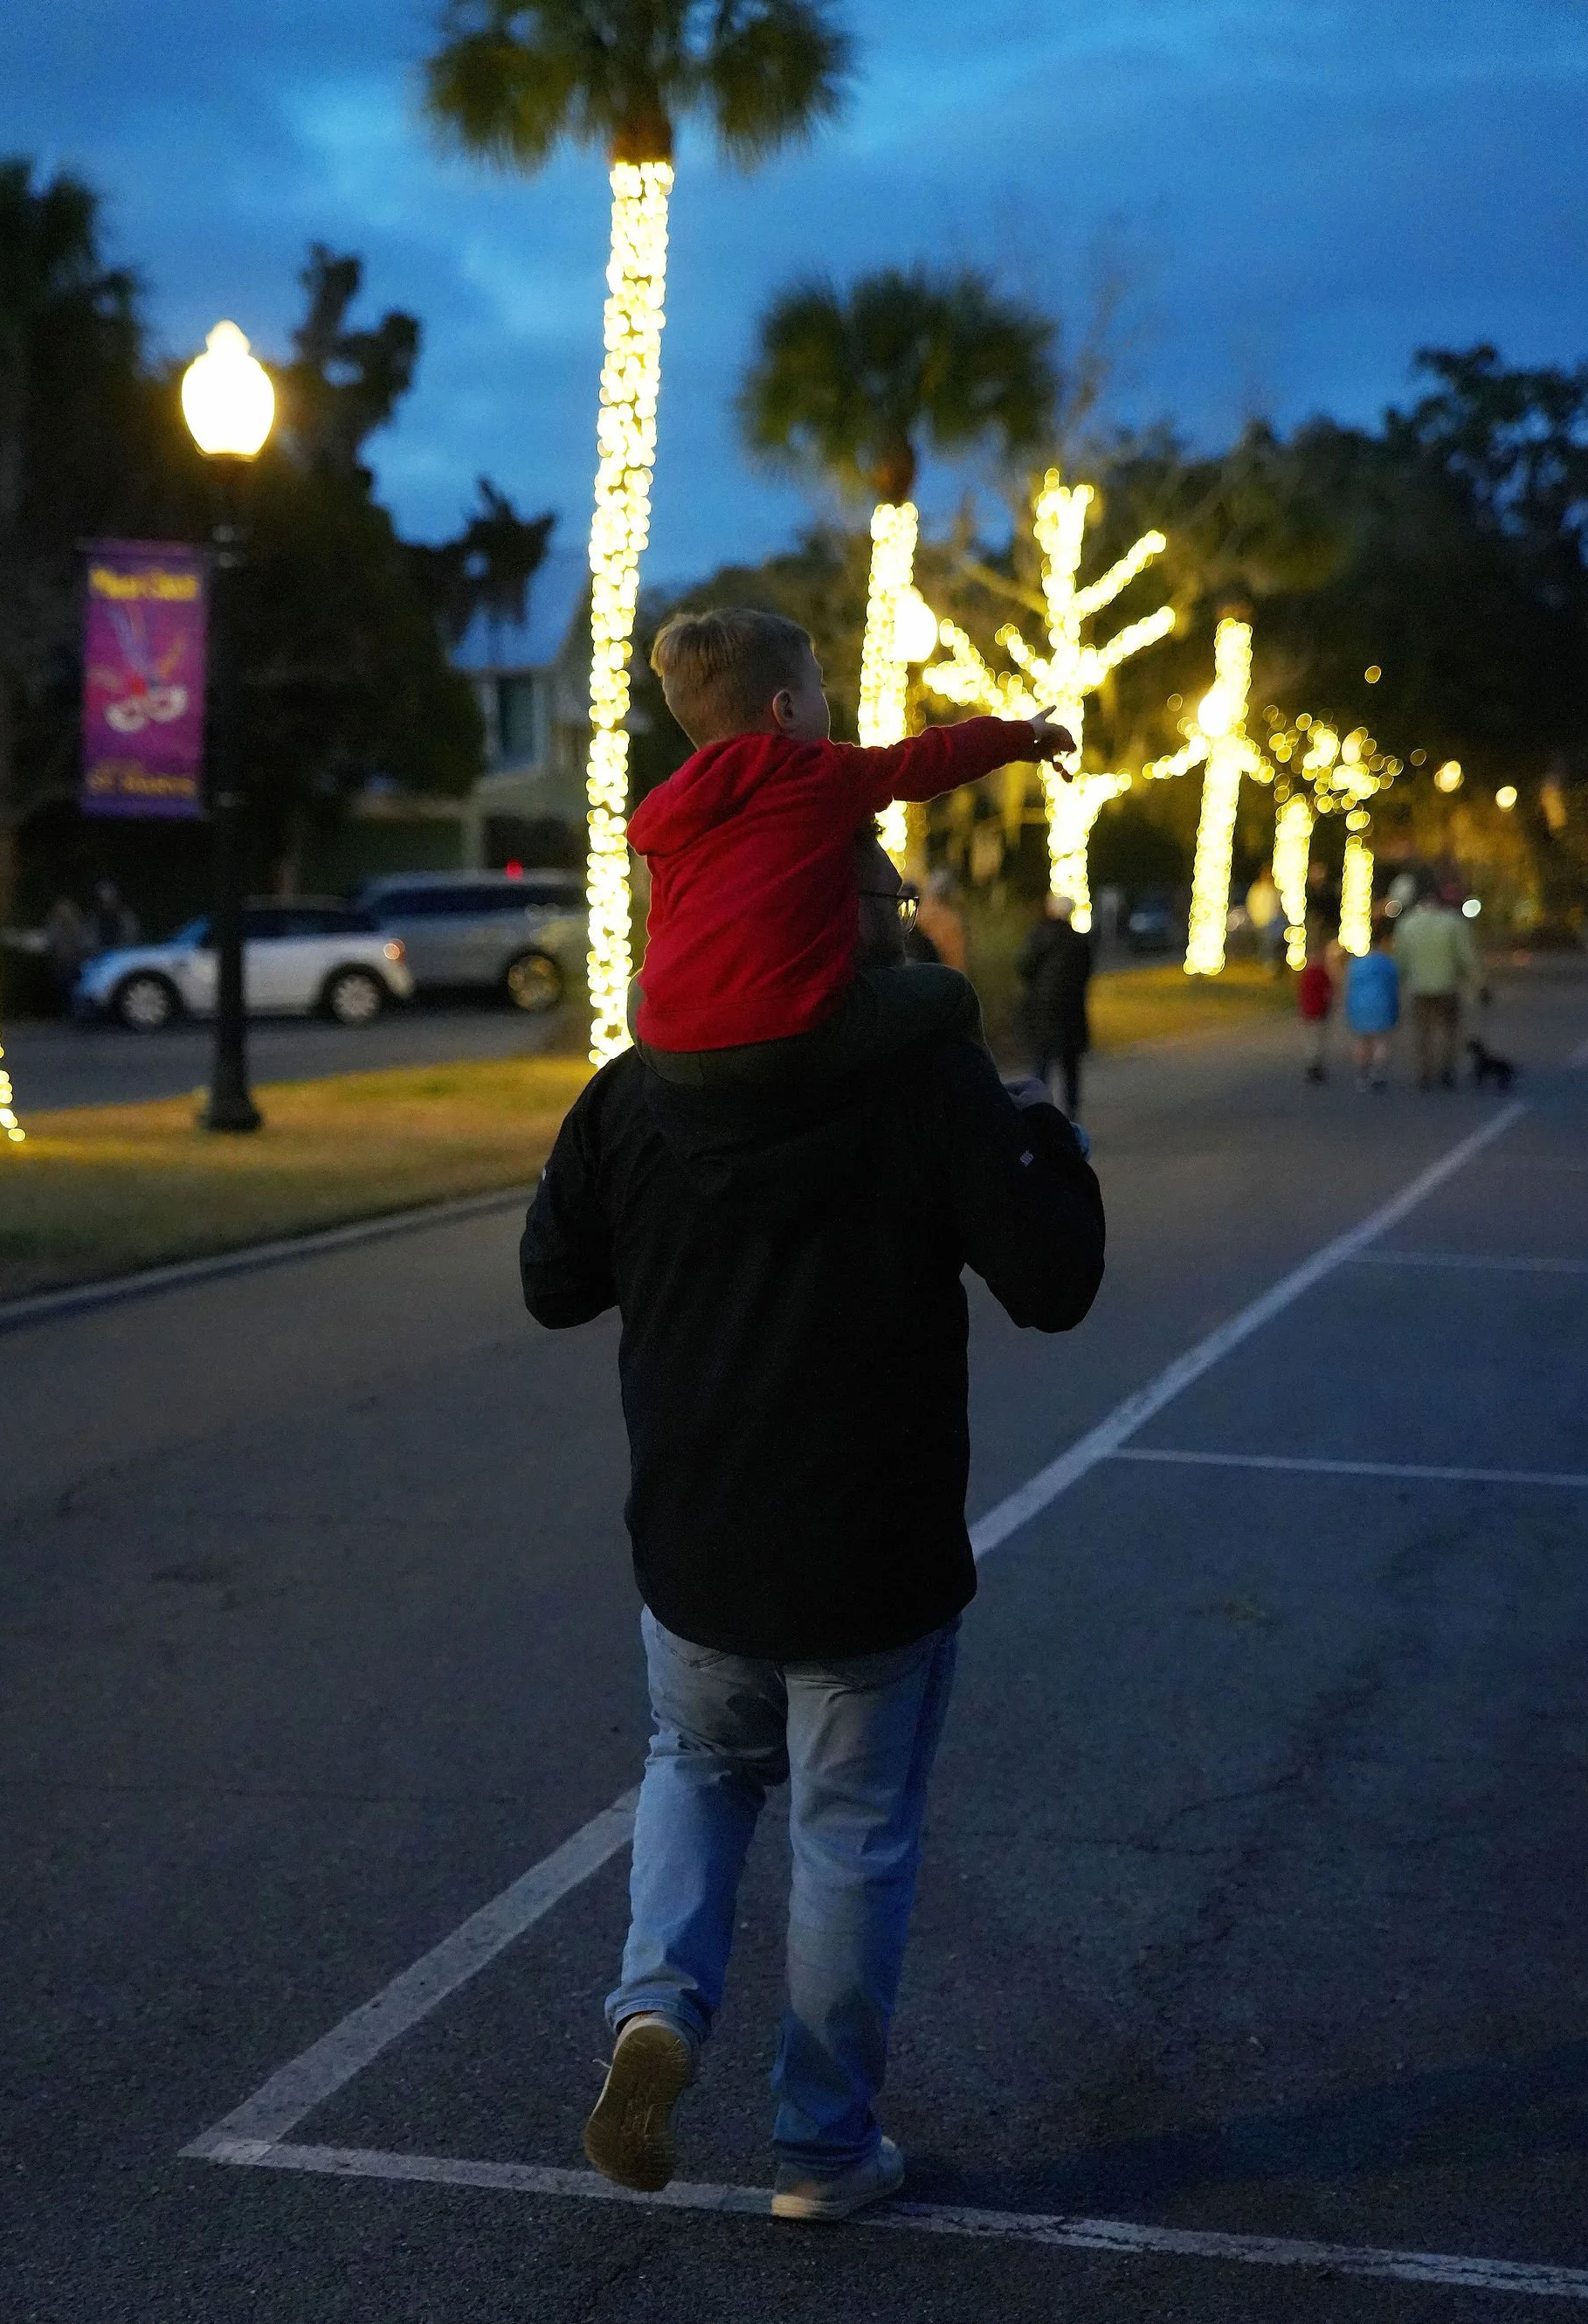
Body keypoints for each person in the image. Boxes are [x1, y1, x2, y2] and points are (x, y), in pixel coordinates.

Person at [521, 830, 1105, 2223]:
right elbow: (1052, 1283)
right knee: (847, 1837)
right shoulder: (929, 1082)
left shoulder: (633, 1094)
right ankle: (824, 2147)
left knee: (695, 1763)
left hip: (696, 1540)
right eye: (885, 894)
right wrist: (1048, 1146)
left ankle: (656, 2009)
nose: (909, 910)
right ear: (832, 921)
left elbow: (552, 1282)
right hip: (869, 1551)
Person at [625, 608, 1071, 1085]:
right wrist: (1021, 737)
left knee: (640, 991)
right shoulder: (815, 771)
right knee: (949, 993)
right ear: (787, 710)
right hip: (787, 1027)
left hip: (672, 1045)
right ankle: (986, 1116)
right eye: (818, 686)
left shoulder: (669, 811)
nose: (826, 699)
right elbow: (924, 762)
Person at [1391, 878, 1480, 1089]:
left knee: (1423, 1032)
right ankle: (1446, 1070)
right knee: (1450, 1031)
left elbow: (1400, 959)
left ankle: (1424, 1072)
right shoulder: (1453, 922)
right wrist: (1479, 984)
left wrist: (1398, 984)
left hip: (1419, 987)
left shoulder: (1407, 924)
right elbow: (1466, 956)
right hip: (1447, 986)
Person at [1017, 893, 1092, 1121]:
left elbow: (1024, 967)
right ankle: (1072, 1113)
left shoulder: (1038, 936)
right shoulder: (1077, 941)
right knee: (1070, 1066)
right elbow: (1086, 973)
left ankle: (1037, 1111)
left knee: (1041, 1064)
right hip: (1070, 1012)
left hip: (1042, 1011)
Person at [1343, 919, 1400, 1090]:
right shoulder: (1387, 963)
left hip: (1359, 1006)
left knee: (1361, 1042)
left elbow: (1348, 986)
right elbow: (1394, 986)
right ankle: (1378, 1075)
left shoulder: (1356, 964)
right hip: (1382, 1005)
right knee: (1381, 1042)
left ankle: (1362, 1075)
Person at [1297, 924, 1335, 1082]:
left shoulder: (1306, 973)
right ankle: (1315, 1065)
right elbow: (1329, 990)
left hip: (1308, 1010)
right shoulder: (1321, 972)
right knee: (1318, 1039)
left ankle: (1311, 1064)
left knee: (1310, 1039)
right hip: (1319, 1010)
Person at [1245, 863, 1283, 972]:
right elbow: (1251, 903)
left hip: (1272, 922)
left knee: (1269, 943)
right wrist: (1255, 917)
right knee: (1264, 943)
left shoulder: (1274, 890)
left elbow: (1278, 905)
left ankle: (1270, 964)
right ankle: (1268, 964)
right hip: (1260, 921)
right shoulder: (1257, 889)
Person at [87, 879, 139, 956]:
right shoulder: (93, 922)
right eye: (103, 903)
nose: (106, 907)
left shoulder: (127, 920)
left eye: (109, 902)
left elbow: (131, 943)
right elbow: (89, 945)